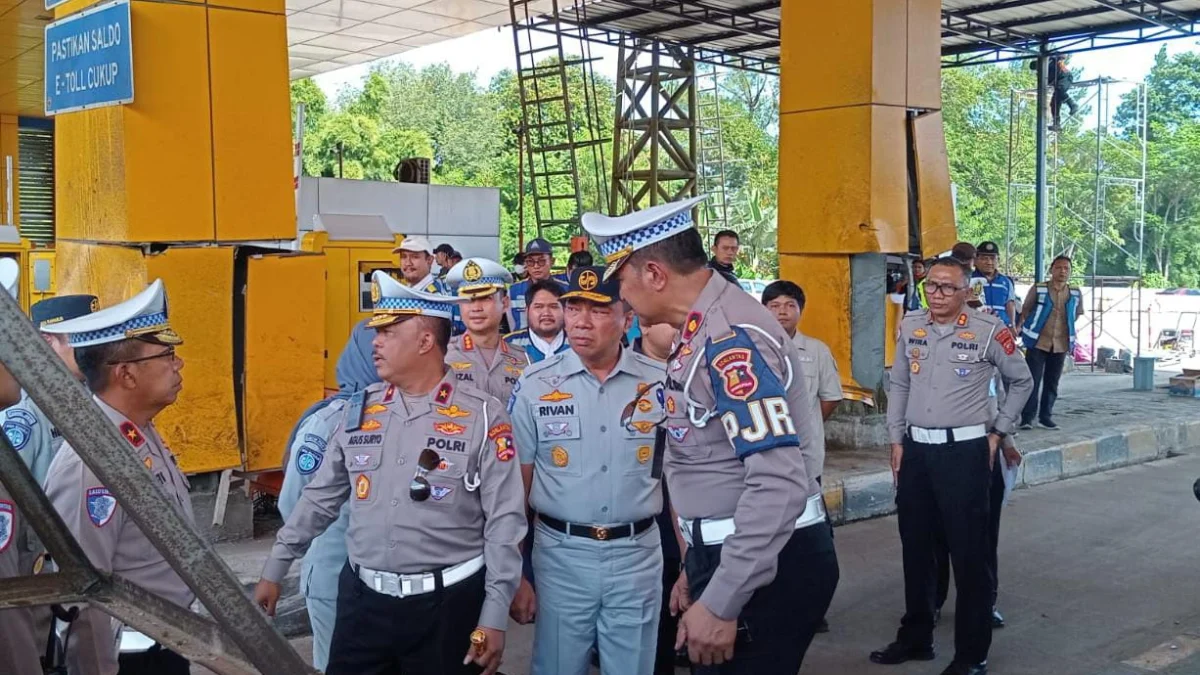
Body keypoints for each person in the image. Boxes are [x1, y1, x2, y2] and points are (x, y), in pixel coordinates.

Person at [584, 196, 838, 674]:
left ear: (656, 274)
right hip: (728, 553)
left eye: (622, 279)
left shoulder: (730, 339)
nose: (621, 296)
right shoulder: (699, 328)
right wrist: (696, 563)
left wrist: (722, 599)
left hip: (762, 564)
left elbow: (778, 482)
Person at [254, 272, 526, 675]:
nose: (375, 342)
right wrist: (276, 567)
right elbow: (320, 498)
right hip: (363, 603)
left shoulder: (483, 416)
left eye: (388, 331)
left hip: (447, 609)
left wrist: (494, 613)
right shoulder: (360, 410)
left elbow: (504, 521)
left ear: (425, 341)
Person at [872, 257, 1032, 675]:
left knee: (969, 554)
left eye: (947, 288)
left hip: (966, 452)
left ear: (965, 292)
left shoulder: (988, 330)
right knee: (917, 547)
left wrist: (999, 431)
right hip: (917, 452)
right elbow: (901, 383)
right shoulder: (911, 325)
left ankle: (970, 654)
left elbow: (1022, 380)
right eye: (932, 286)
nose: (937, 294)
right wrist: (896, 438)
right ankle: (916, 636)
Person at [510, 266, 667, 675]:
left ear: (626, 320)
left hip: (638, 555)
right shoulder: (535, 385)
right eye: (573, 307)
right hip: (561, 556)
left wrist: (692, 567)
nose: (580, 321)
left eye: (597, 310)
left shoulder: (660, 385)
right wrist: (515, 571)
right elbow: (518, 488)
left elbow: (679, 479)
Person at [41, 280, 196, 675]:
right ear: (126, 374)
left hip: (168, 640)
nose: (178, 364)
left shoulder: (137, 433)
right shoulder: (90, 463)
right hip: (127, 658)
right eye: (167, 355)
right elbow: (82, 592)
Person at [1, 295, 100, 674]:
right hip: (41, 569)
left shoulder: (82, 403)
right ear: (46, 344)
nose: (90, 345)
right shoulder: (24, 418)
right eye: (77, 336)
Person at [277, 320, 380, 672]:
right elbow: (295, 505)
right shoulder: (328, 423)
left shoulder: (402, 414)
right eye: (378, 344)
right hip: (334, 577)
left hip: (385, 582)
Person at [761, 280, 842, 632]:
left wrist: (805, 428)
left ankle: (810, 606)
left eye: (789, 305)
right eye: (775, 305)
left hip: (805, 460)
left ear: (800, 310)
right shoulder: (748, 348)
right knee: (765, 532)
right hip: (761, 461)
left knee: (808, 534)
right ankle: (768, 601)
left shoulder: (817, 350)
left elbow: (830, 397)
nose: (782, 312)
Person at [445, 258, 528, 404]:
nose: (476, 308)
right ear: (459, 304)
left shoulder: (523, 359)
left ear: (505, 303)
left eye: (486, 298)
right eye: (468, 299)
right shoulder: (443, 357)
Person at [1016, 255, 1083, 430]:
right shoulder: (1039, 289)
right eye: (1059, 268)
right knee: (1032, 380)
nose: (1062, 271)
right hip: (1038, 341)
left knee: (1052, 382)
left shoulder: (1075, 292)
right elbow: (1026, 309)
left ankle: (1046, 417)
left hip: (1061, 343)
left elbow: (1076, 314)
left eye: (1066, 268)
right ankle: (1027, 418)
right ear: (1051, 270)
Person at [508, 239, 566, 334]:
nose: (536, 266)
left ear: (552, 261)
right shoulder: (513, 290)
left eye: (541, 261)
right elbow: (511, 324)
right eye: (530, 262)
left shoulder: (566, 289)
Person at [503, 280, 569, 360]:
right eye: (539, 307)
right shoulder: (508, 344)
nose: (546, 313)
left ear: (565, 310)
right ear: (526, 311)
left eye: (553, 306)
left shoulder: (578, 342)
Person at [971, 242, 1018, 328]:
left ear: (998, 260)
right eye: (984, 258)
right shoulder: (970, 280)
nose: (989, 262)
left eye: (993, 258)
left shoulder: (1006, 281)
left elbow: (1010, 304)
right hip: (977, 327)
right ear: (975, 261)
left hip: (1002, 327)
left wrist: (1012, 325)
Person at [1048, 56, 1077, 132]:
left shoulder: (1050, 64)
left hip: (1065, 77)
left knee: (1060, 90)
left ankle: (1072, 104)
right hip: (1059, 81)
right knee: (1054, 103)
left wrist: (1055, 58)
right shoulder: (1045, 70)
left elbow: (1062, 57)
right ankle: (1056, 124)